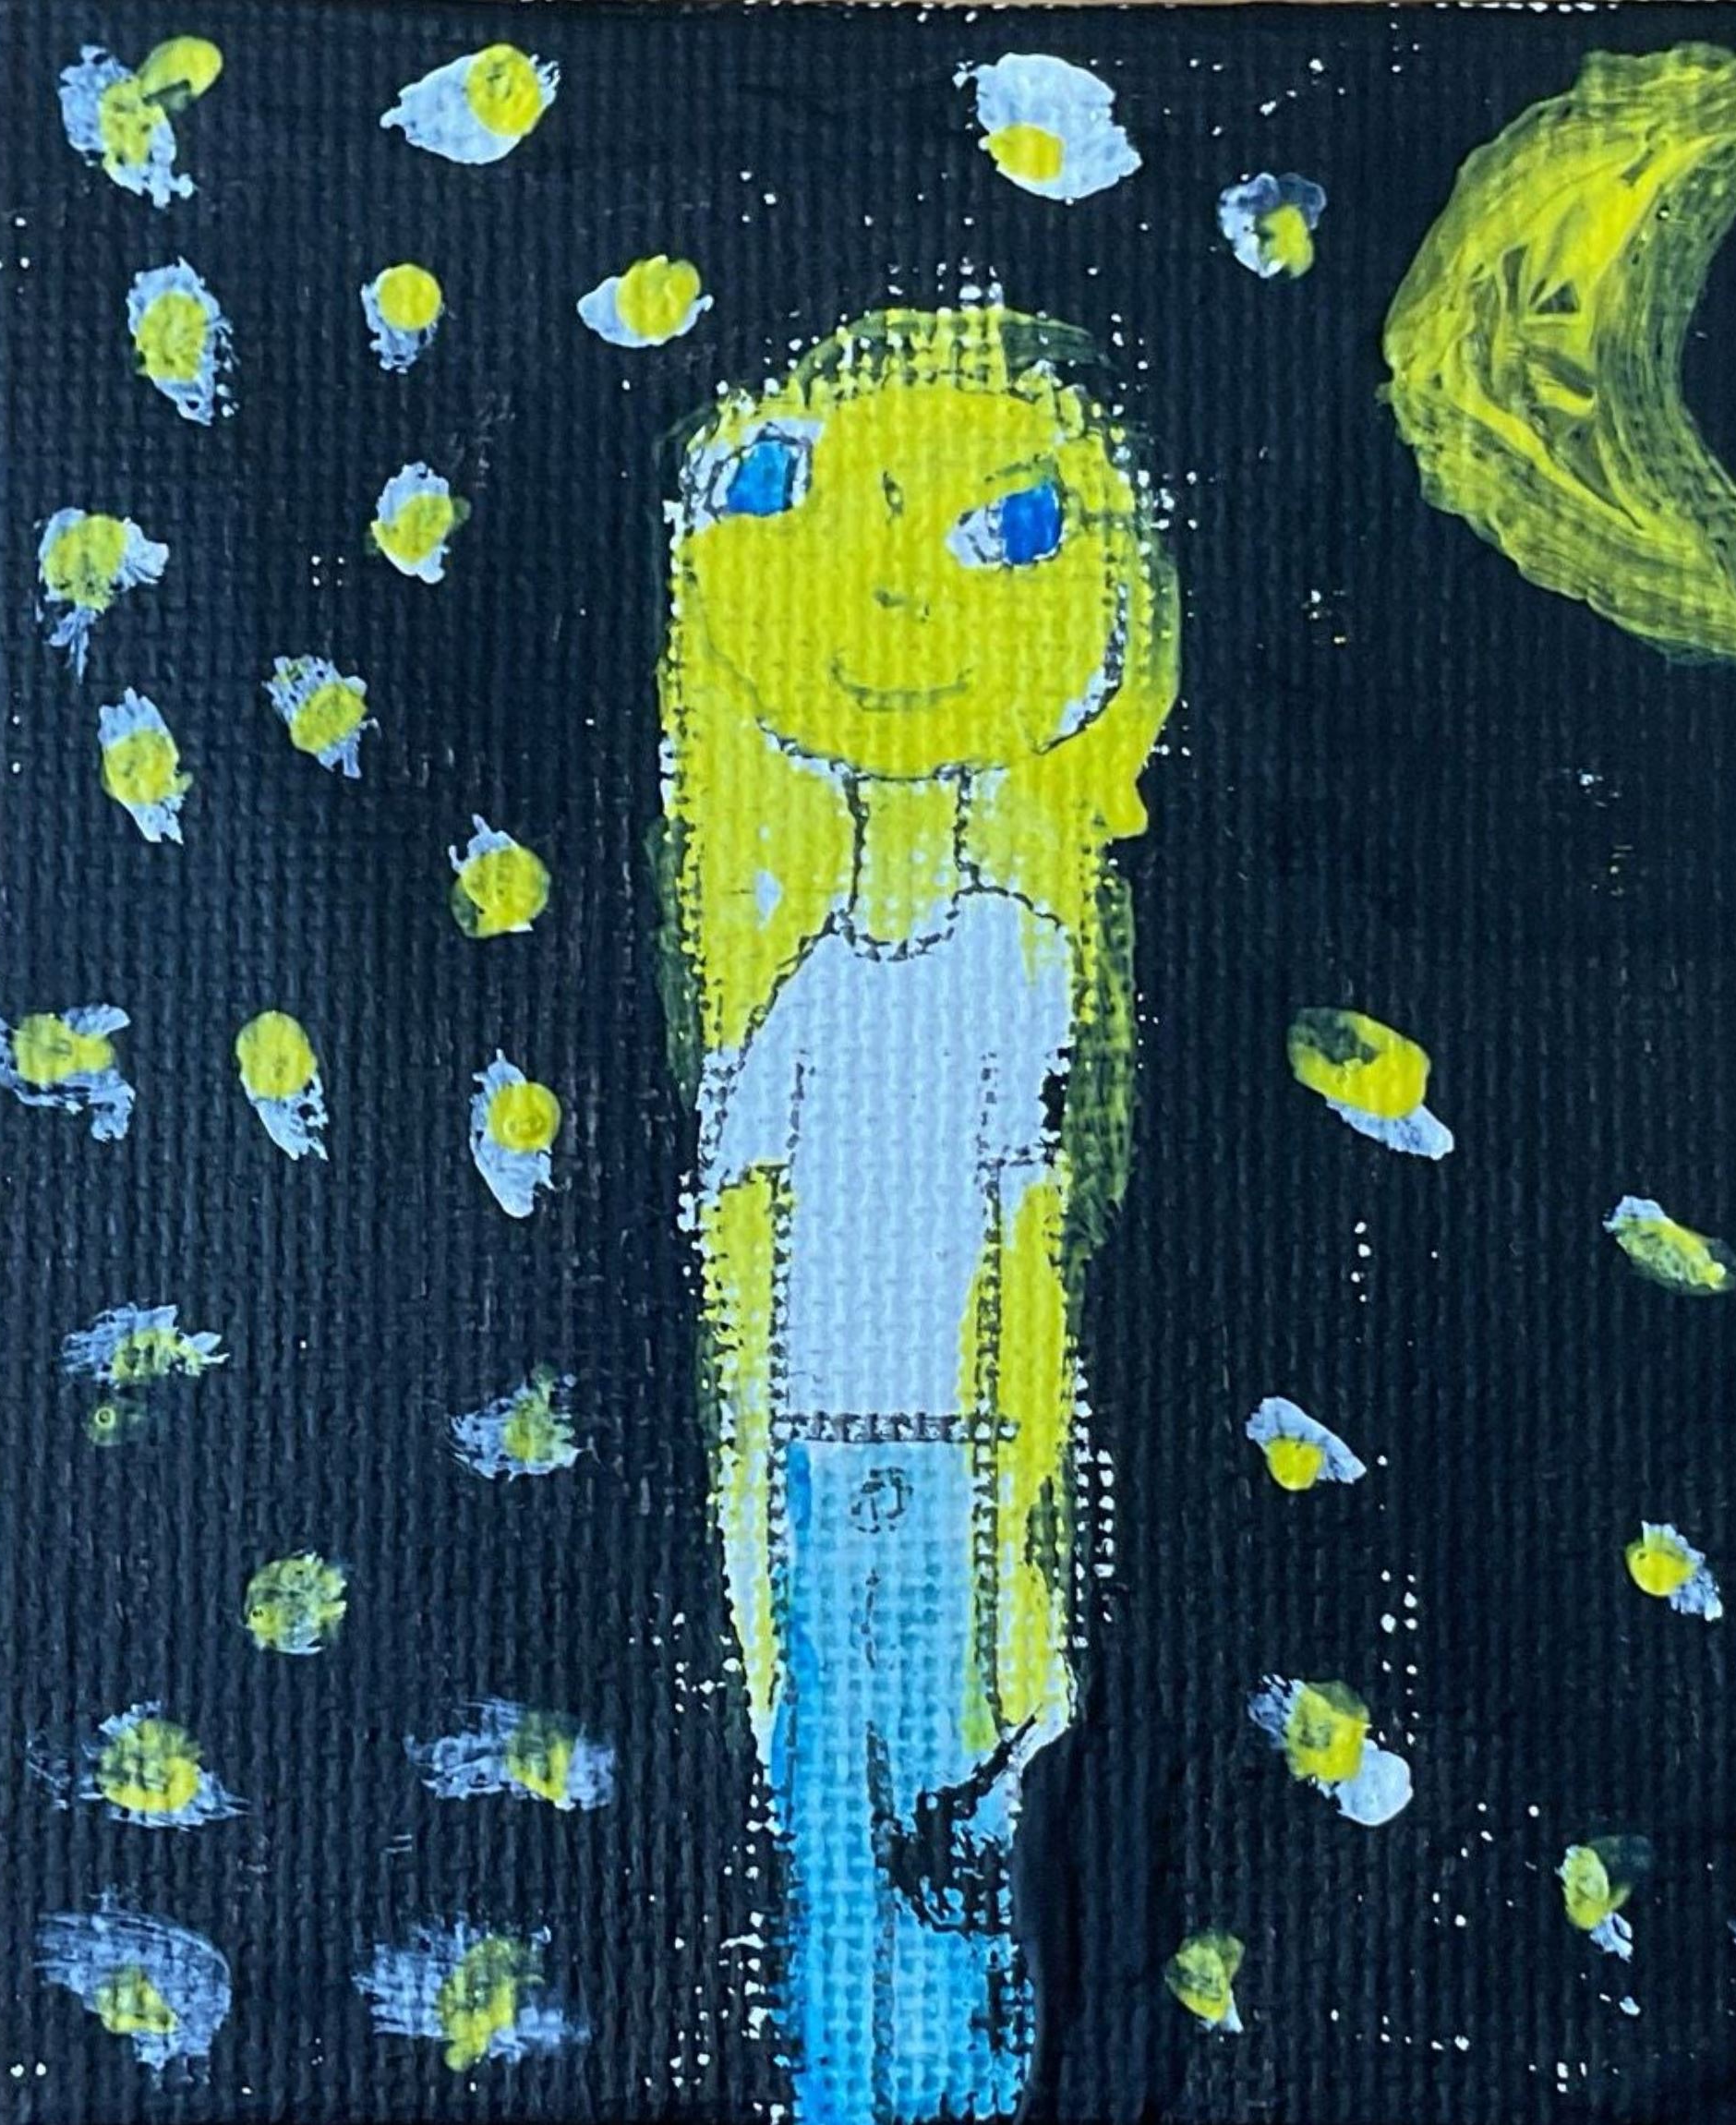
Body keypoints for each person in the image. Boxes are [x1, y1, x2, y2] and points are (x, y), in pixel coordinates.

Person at [661, 305, 1179, 2124]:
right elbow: (731, 1215)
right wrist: (747, 1511)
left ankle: (957, 2089)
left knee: (946, 1801)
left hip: (948, 1451)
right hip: (815, 1451)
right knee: (827, 1799)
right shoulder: (804, 979)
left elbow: (1030, 1244)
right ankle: (846, 2090)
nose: (890, 599)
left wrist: (1032, 1517)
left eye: (1002, 532)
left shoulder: (1018, 960)